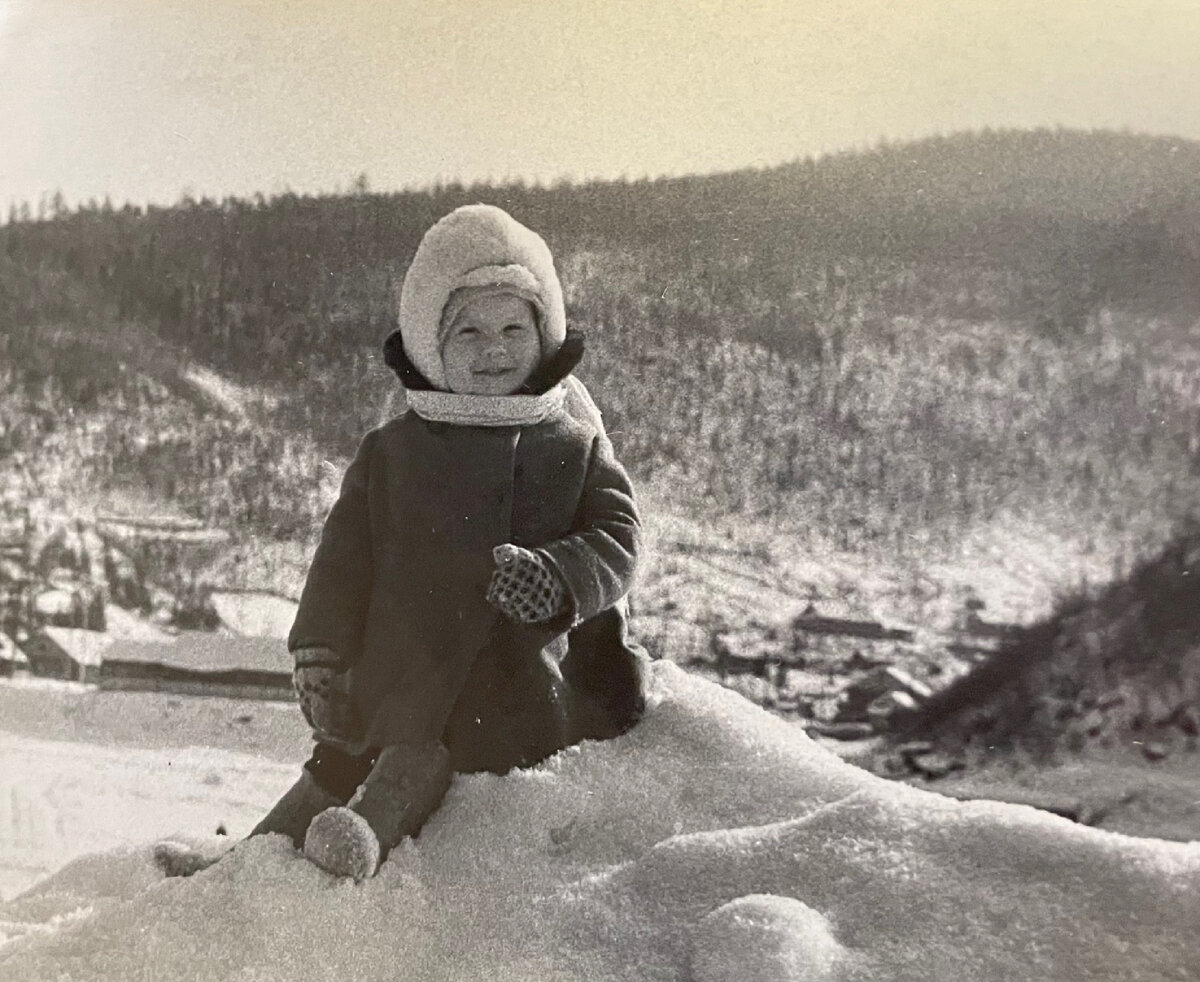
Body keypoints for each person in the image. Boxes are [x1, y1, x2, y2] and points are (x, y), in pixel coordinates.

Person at [156, 204, 648, 881]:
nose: (494, 348)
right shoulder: (393, 451)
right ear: (428, 343)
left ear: (545, 332)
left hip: (514, 682)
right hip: (398, 668)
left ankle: (360, 838)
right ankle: (246, 865)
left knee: (420, 754)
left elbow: (620, 537)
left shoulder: (571, 444)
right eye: (468, 331)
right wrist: (320, 652)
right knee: (334, 761)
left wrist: (559, 576)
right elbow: (342, 561)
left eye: (513, 327)